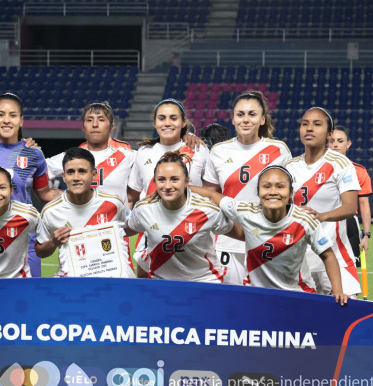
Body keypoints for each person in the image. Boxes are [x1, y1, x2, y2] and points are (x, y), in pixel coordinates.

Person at [189, 166, 347, 304]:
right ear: (258, 192)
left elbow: (327, 254)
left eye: (280, 187)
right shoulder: (246, 212)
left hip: (296, 293)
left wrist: (337, 290)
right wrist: (180, 188)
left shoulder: (304, 220)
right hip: (256, 295)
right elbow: (212, 196)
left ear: (291, 192)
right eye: (266, 187)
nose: (273, 192)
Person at [0, 92, 61, 277]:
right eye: (1, 114)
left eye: (12, 115)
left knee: (29, 299)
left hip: (24, 239)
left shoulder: (34, 153)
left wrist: (75, 196)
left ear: (21, 121)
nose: (6, 120)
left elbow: (45, 192)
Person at [203, 90, 293, 285]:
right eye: (240, 114)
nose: (246, 120)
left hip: (265, 239)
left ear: (262, 119)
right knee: (229, 305)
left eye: (252, 114)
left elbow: (289, 199)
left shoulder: (279, 150)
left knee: (265, 304)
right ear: (233, 119)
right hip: (227, 240)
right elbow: (209, 197)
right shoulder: (218, 151)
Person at [125, 151, 242, 283]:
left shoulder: (207, 210)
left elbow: (241, 234)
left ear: (187, 181)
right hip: (161, 282)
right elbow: (124, 231)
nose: (167, 186)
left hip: (204, 281)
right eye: (161, 179)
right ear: (155, 181)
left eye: (175, 179)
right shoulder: (144, 209)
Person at [127, 98, 210, 277]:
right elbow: (132, 194)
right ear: (155, 123)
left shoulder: (199, 149)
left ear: (183, 122)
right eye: (162, 118)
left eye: (173, 118)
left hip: (190, 231)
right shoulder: (143, 153)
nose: (167, 123)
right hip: (151, 231)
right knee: (146, 288)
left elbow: (212, 190)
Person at [286, 107, 361, 297]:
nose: (309, 128)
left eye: (317, 124)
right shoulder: (289, 167)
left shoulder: (341, 164)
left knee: (345, 315)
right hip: (301, 259)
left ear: (329, 134)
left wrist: (322, 216)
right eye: (305, 124)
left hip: (335, 254)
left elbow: (351, 207)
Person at [36, 147, 133, 278]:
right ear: (63, 177)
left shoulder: (113, 204)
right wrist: (53, 242)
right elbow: (40, 251)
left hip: (110, 277)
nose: (76, 178)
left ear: (93, 175)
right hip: (72, 280)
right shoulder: (51, 211)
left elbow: (127, 229)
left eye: (82, 171)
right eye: (70, 172)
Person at [46, 101, 135, 203]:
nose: (95, 124)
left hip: (115, 218)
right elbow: (38, 170)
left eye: (101, 120)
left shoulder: (128, 156)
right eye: (89, 120)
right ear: (83, 127)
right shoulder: (70, 157)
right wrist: (66, 195)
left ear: (112, 127)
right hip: (78, 218)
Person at [328, 125, 373, 259]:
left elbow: (364, 205)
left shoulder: (359, 171)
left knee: (349, 271)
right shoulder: (313, 169)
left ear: (348, 144)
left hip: (348, 225)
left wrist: (366, 235)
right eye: (331, 141)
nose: (335, 144)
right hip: (322, 223)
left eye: (340, 141)